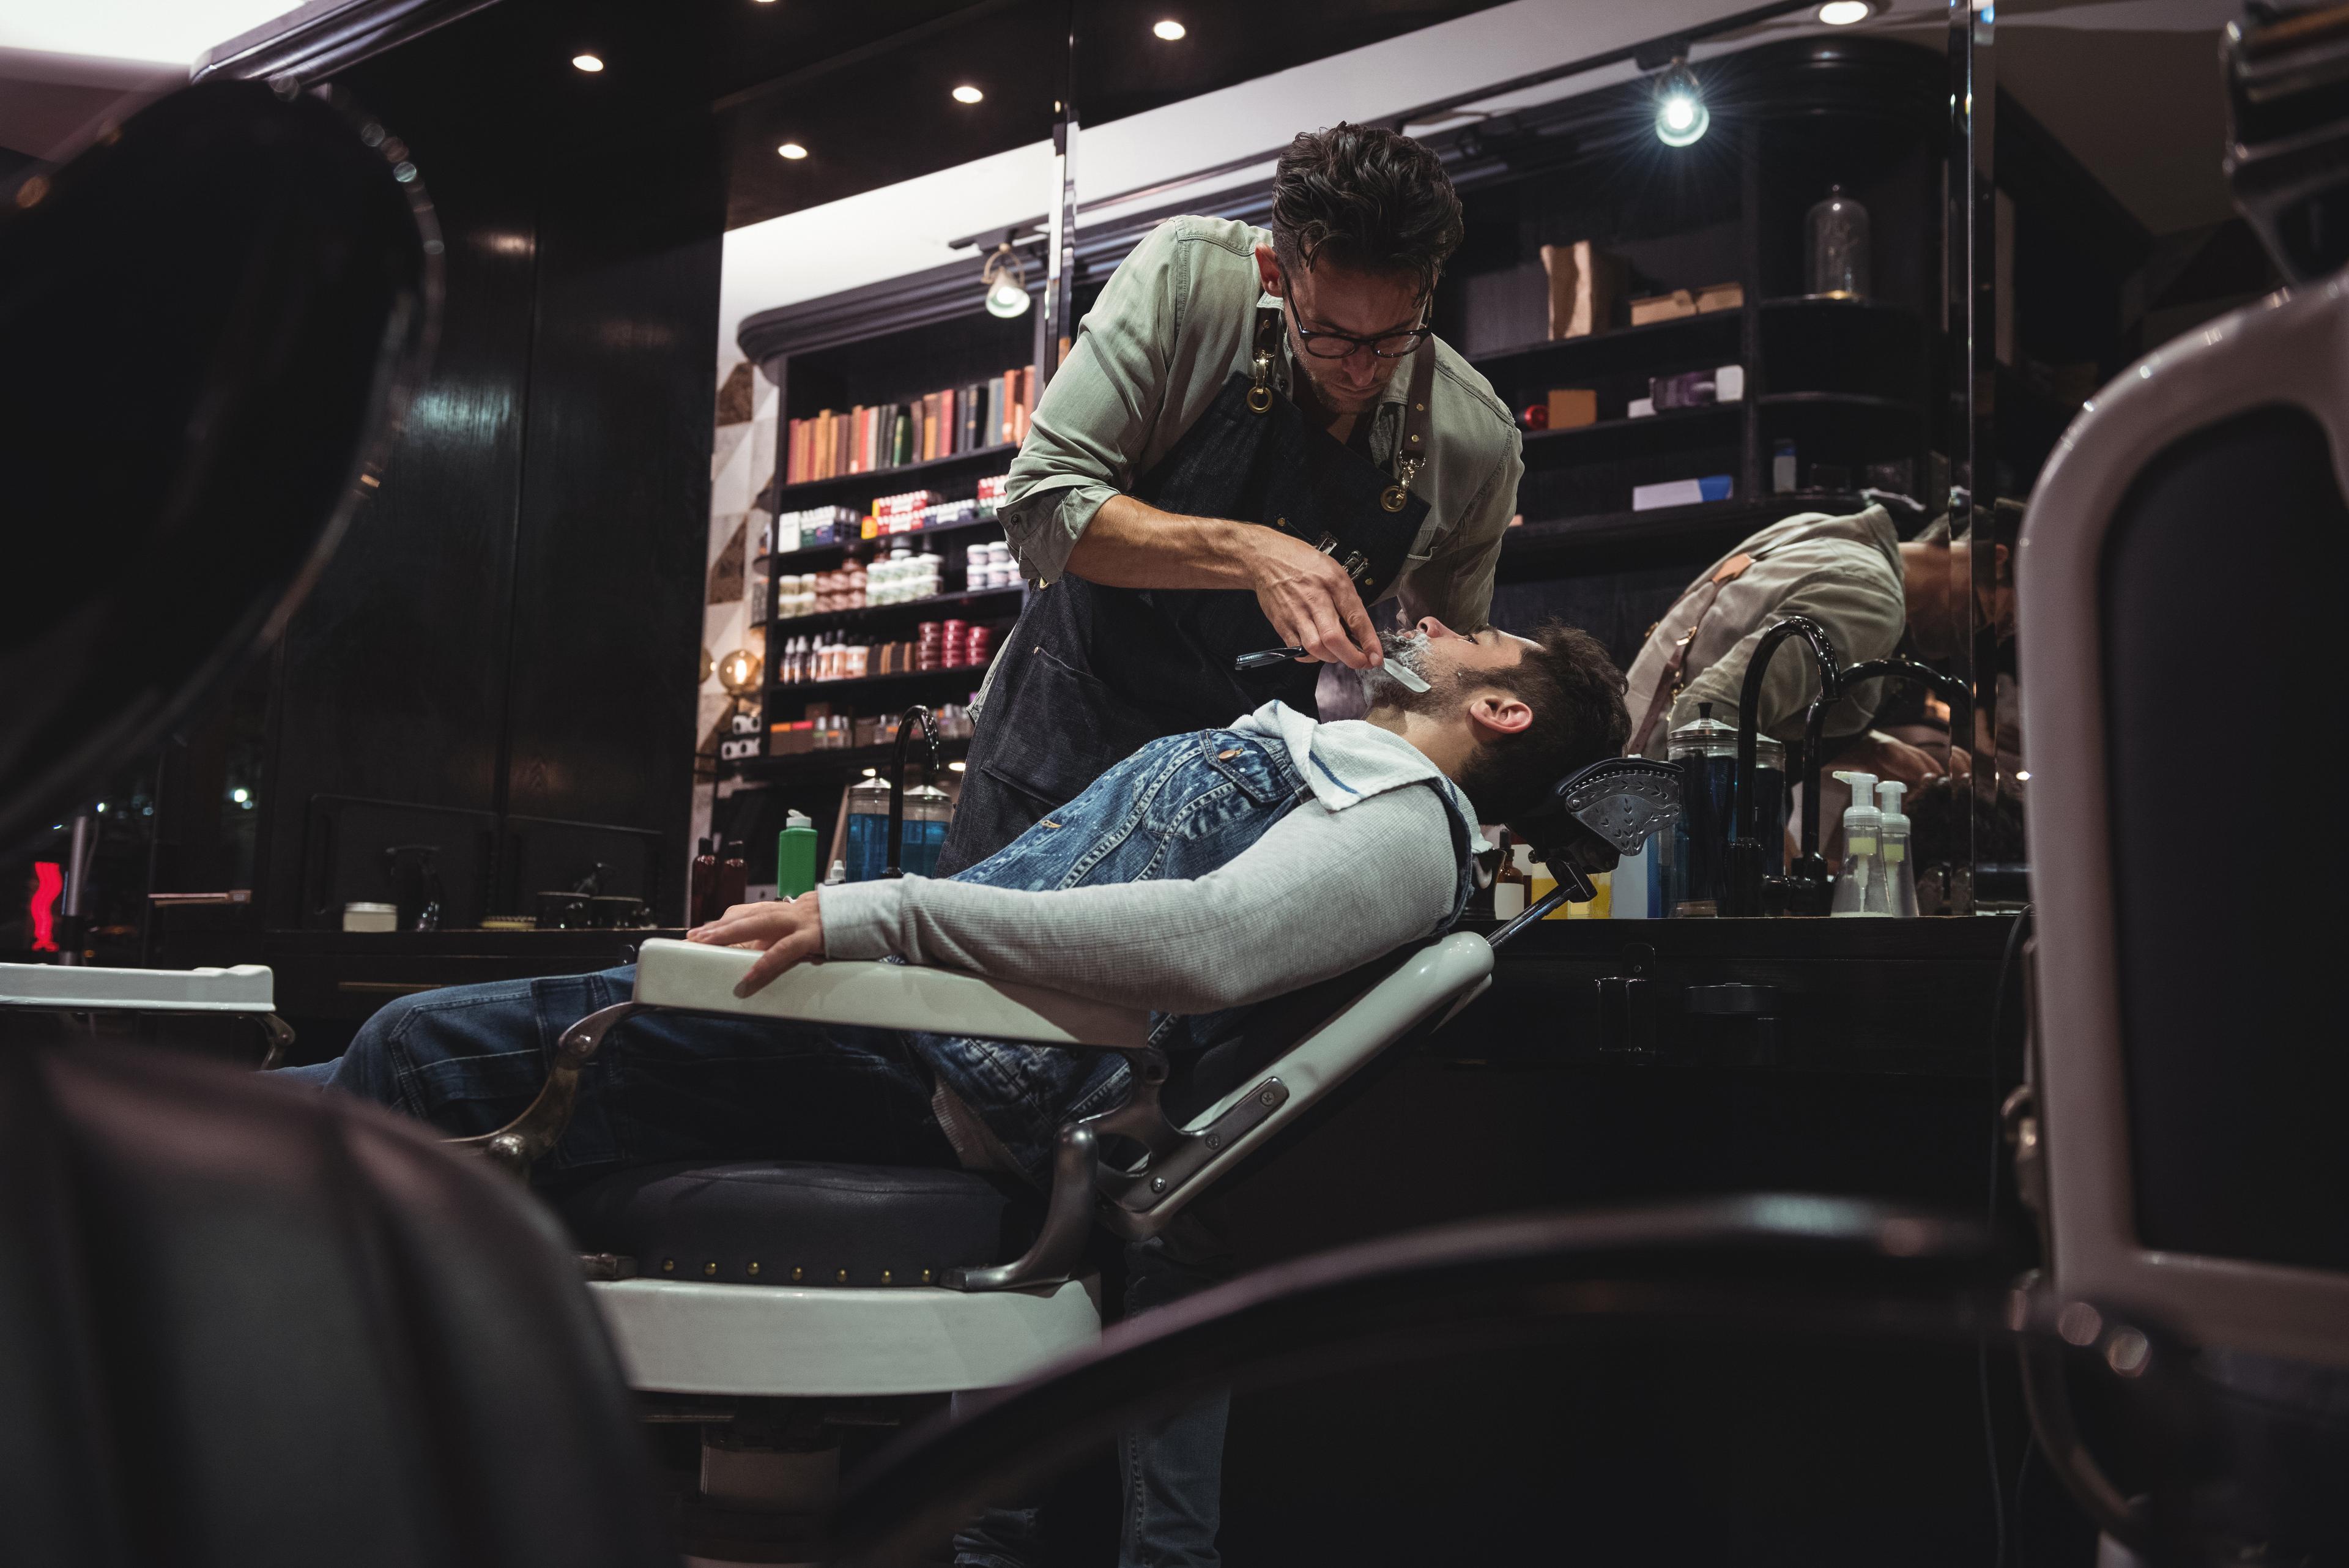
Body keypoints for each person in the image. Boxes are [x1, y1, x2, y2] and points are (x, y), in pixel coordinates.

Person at [284, 615, 1631, 1568]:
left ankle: (220, 1419)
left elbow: (1202, 945)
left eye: (1475, 636)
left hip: (919, 1060)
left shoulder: (1404, 826)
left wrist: (886, 914)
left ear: (1499, 712)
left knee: (420, 1051)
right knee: (354, 1072)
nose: (1437, 622)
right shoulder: (1336, 764)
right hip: (899, 1032)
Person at [943, 123, 1523, 874]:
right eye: (1330, 336)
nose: (1362, 369)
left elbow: (1449, 677)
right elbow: (1040, 504)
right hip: (1063, 732)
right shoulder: (1188, 282)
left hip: (1244, 785)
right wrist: (1252, 552)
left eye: (1396, 336)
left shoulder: (1475, 441)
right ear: (1273, 273)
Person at [1622, 503, 2015, 787]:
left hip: (1620, 790)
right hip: (1651, 839)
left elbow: (1743, 694)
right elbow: (1707, 716)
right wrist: (1759, 859)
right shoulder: (1871, 596)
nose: (1991, 641)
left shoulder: (1818, 531)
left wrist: (1874, 750)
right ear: (1995, 561)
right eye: (2001, 622)